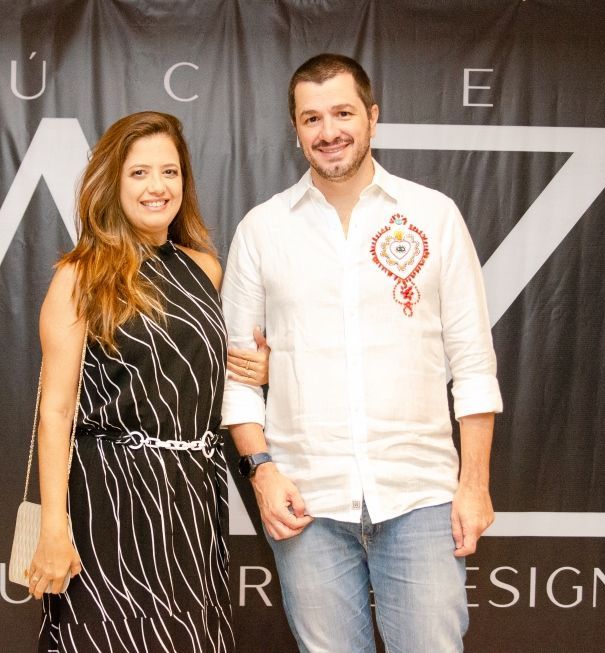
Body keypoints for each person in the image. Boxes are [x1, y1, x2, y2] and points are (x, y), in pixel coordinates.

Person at [220, 54, 503, 653]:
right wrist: (262, 472)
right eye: (312, 118)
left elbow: (474, 364)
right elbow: (239, 380)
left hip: (420, 495)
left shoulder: (434, 216)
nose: (329, 132)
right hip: (307, 502)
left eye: (343, 112)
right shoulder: (262, 230)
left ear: (372, 117)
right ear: (295, 130)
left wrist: (473, 484)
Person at [26, 111, 268, 652]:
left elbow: (210, 372)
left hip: (194, 496)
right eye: (139, 173)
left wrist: (264, 368)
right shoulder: (78, 275)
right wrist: (52, 527)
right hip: (108, 497)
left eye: (170, 172)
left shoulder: (204, 268)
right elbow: (56, 410)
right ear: (111, 182)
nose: (158, 187)